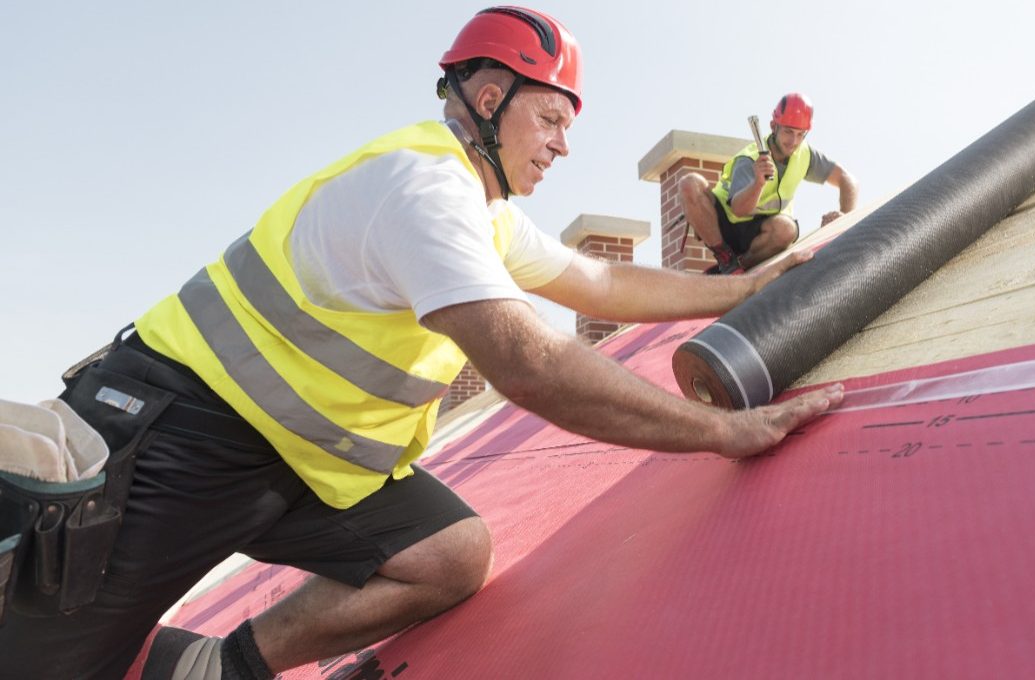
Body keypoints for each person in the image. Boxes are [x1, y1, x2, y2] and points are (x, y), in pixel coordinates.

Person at [0, 7, 843, 679]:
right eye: (550, 118)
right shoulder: (422, 189)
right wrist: (724, 435)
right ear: (488, 100)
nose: (563, 143)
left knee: (449, 555)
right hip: (180, 441)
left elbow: (601, 284)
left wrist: (746, 287)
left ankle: (222, 668)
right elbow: (533, 363)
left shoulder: (486, 212)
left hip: (301, 470)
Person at [678, 92, 859, 274]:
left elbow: (847, 180)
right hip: (725, 225)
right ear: (774, 126)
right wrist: (758, 183)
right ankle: (725, 259)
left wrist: (845, 218)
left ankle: (738, 267)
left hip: (761, 234)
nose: (793, 141)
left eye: (800, 134)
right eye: (788, 131)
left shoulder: (805, 155)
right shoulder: (749, 159)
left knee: (786, 229)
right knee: (689, 183)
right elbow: (738, 210)